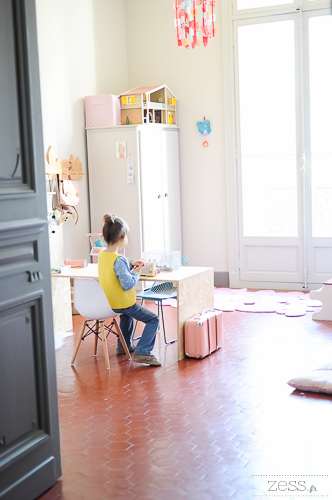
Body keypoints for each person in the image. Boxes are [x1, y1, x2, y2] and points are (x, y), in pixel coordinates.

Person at [98, 214, 161, 366]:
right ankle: (143, 351)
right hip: (123, 303)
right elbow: (128, 284)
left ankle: (123, 346)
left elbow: (116, 264)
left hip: (108, 303)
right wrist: (136, 272)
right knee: (154, 319)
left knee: (126, 317)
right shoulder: (119, 260)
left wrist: (131, 262)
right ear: (123, 237)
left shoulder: (102, 254)